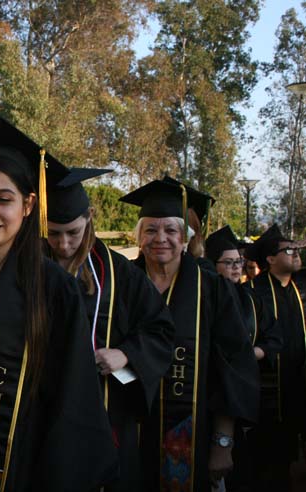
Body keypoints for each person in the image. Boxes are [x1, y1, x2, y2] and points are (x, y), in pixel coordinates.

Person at [0, 114, 118, 492]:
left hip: (22, 468)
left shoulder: (54, 289)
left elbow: (73, 399)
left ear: (29, 205)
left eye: (4, 199)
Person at [119, 179, 259, 492]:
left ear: (185, 237)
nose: (161, 239)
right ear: (139, 236)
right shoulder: (121, 284)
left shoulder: (212, 290)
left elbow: (234, 367)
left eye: (171, 230)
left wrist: (223, 442)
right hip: (128, 429)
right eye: (151, 229)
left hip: (192, 434)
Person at [44, 167, 175, 491]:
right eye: (53, 233)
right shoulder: (29, 267)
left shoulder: (120, 273)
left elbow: (161, 330)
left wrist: (125, 354)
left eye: (72, 232)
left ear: (89, 217)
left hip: (106, 413)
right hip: (43, 413)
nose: (63, 244)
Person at [204, 225, 282, 492]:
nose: (237, 267)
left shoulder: (251, 298)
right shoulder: (203, 299)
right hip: (213, 394)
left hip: (244, 389)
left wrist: (250, 354)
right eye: (229, 262)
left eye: (239, 261)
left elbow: (274, 338)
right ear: (212, 265)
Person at [245, 224, 306, 491]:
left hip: (297, 386)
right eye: (288, 249)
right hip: (266, 395)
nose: (295, 253)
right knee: (265, 464)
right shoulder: (253, 292)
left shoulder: (299, 288)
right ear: (270, 259)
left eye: (296, 248)